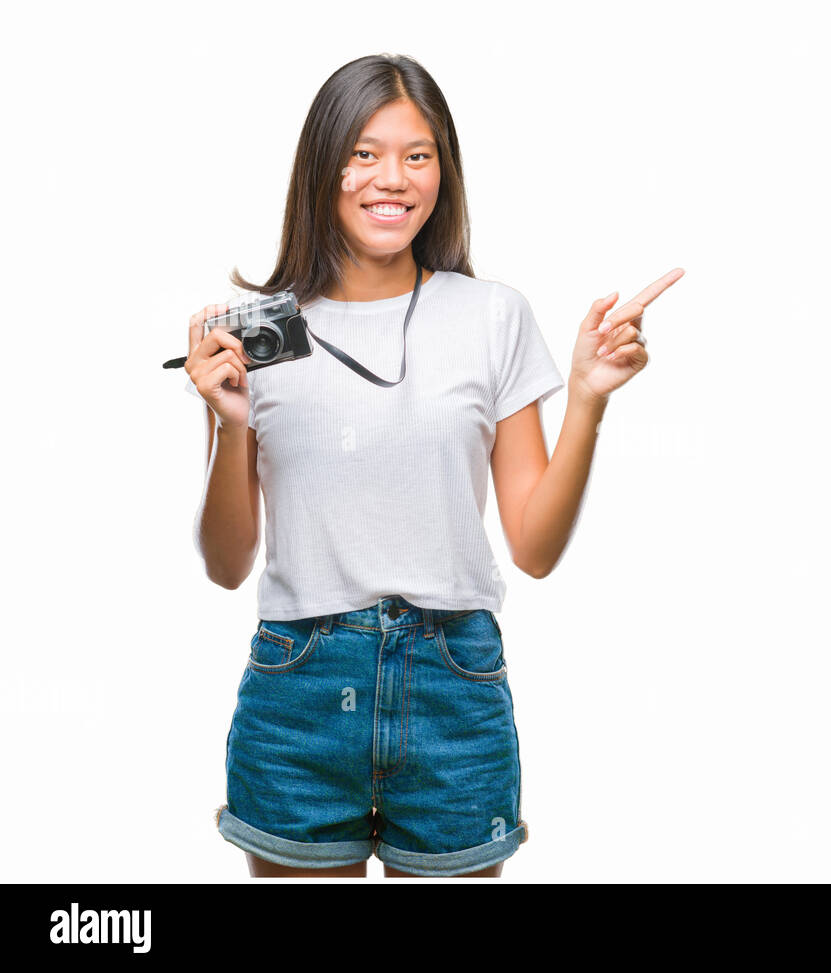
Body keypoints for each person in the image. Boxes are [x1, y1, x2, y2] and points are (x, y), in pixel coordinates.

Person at [183, 53, 683, 878]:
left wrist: (589, 397)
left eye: (418, 155)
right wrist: (228, 423)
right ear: (323, 165)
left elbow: (535, 547)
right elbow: (228, 563)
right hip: (300, 687)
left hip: (454, 682)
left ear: (443, 173)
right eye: (365, 152)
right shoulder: (254, 333)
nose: (394, 178)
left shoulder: (492, 316)